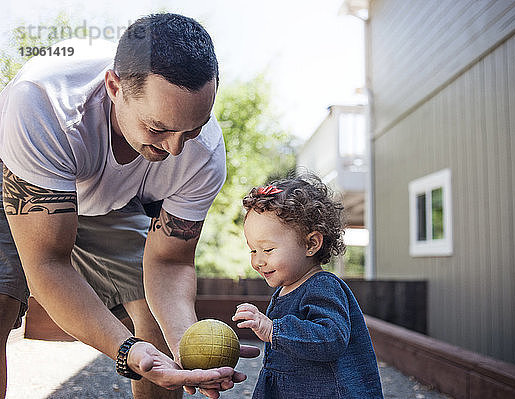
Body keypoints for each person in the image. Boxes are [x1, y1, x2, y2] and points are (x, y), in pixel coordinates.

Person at [0, 13, 258, 399]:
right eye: (158, 128)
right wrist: (127, 352)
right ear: (114, 86)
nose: (174, 148)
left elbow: (170, 262)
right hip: (23, 181)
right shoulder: (44, 103)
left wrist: (189, 344)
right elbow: (48, 264)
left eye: (193, 129)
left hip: (111, 201)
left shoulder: (202, 155)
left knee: (155, 323)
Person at [232, 174, 384, 399]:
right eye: (253, 250)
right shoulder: (286, 289)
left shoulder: (324, 286)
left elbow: (331, 337)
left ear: (311, 243)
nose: (258, 261)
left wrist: (272, 329)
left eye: (268, 250)